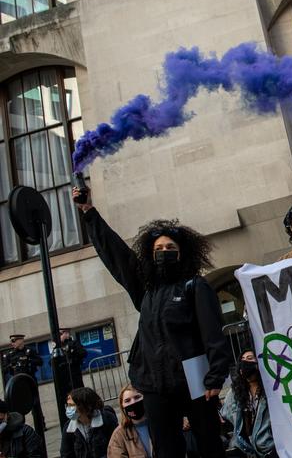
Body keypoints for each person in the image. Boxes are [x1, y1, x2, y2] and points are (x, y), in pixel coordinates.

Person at [73, 187, 229, 458]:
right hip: (153, 384)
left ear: (182, 253)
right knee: (166, 449)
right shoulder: (145, 290)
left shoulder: (195, 286)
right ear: (150, 253)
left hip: (194, 383)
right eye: (159, 248)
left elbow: (213, 333)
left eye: (170, 248)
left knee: (208, 444)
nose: (164, 251)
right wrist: (89, 213)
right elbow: (117, 255)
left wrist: (216, 375)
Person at [221, 350, 276, 458]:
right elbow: (225, 414)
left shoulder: (271, 389)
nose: (245, 363)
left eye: (250, 358)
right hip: (245, 449)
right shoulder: (235, 392)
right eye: (242, 360)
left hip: (269, 449)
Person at [60, 388, 118, 458]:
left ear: (86, 407)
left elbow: (117, 447)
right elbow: (66, 454)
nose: (68, 409)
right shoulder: (69, 427)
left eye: (72, 405)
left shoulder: (107, 419)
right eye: (67, 405)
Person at [107, 384, 151, 458]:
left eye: (137, 397)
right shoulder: (119, 435)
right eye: (127, 401)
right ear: (122, 406)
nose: (133, 402)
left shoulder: (161, 423)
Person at [53, 329, 87, 402]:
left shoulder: (73, 343)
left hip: (74, 373)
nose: (60, 337)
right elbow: (52, 362)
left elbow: (83, 353)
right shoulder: (57, 348)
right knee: (66, 397)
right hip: (63, 376)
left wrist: (73, 359)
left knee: (78, 394)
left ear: (67, 334)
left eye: (61, 334)